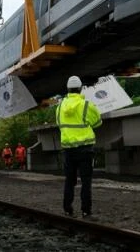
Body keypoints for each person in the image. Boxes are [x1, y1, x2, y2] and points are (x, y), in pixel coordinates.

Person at [56, 75, 102, 218]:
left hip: (68, 150)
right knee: (86, 181)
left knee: (69, 180)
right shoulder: (86, 105)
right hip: (85, 149)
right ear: (80, 89)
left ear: (68, 89)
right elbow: (98, 122)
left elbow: (59, 124)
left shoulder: (60, 106)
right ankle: (85, 210)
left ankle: (67, 208)